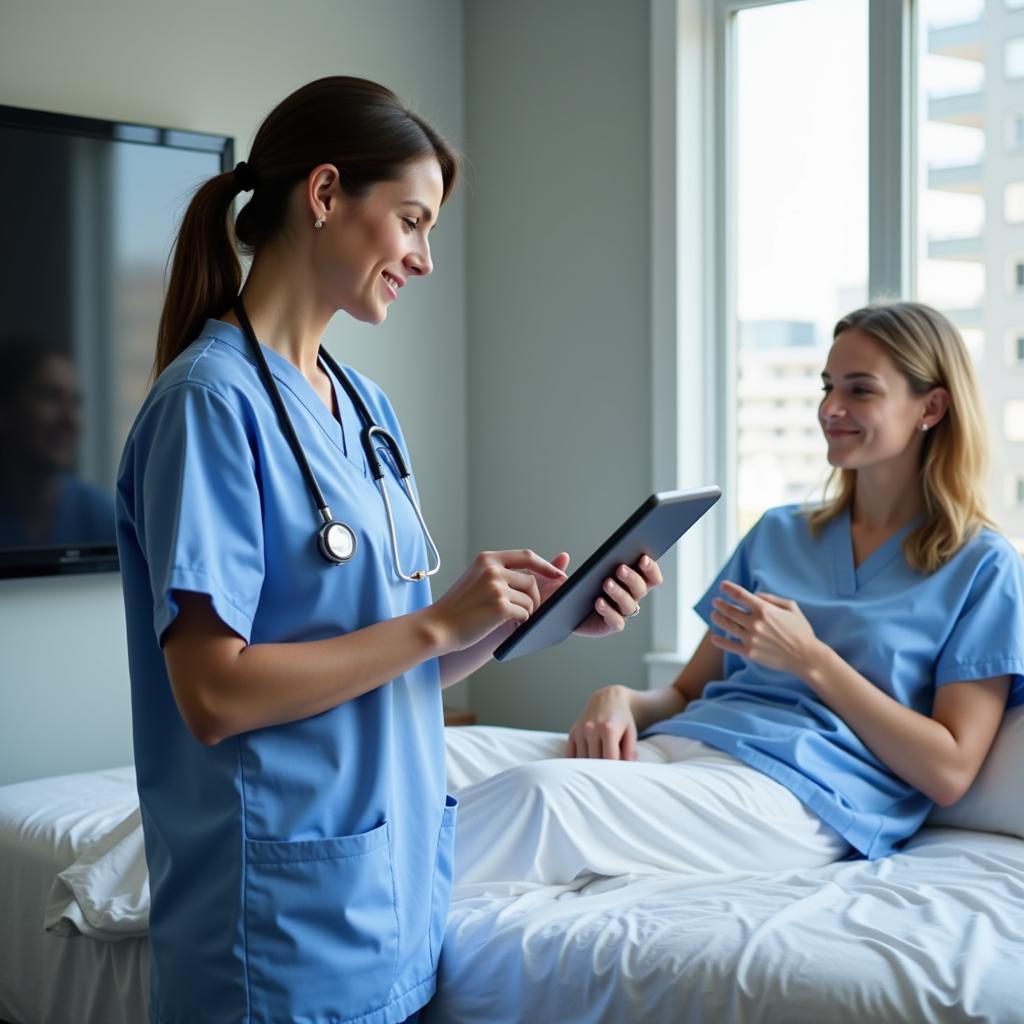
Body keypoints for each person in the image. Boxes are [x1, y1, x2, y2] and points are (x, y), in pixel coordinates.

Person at [114, 76, 660, 1024]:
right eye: (412, 221)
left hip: (390, 901)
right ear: (325, 196)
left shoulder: (366, 411)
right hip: (276, 927)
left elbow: (390, 668)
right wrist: (436, 622)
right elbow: (213, 695)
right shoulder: (209, 405)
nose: (425, 257)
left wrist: (522, 623)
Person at [445, 302, 1024, 890]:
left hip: (802, 795)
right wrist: (620, 698)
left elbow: (950, 770)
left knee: (542, 797)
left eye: (860, 390)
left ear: (931, 407)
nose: (830, 409)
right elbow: (685, 691)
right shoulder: (781, 531)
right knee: (441, 754)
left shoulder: (983, 566)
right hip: (686, 744)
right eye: (827, 387)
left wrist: (811, 660)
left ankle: (363, 917)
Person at [0, 335, 114, 549]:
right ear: (6, 409)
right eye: (51, 398)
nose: (70, 420)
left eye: (76, 403)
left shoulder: (102, 518)